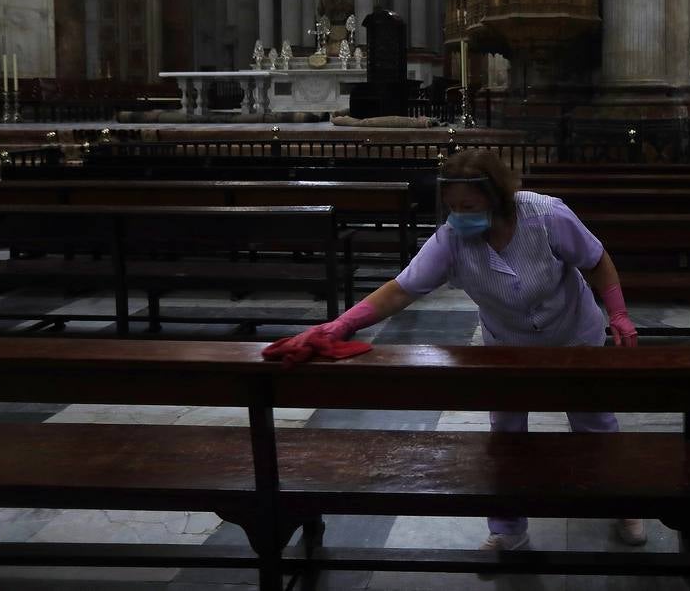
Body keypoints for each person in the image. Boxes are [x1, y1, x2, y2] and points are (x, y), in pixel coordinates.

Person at [263, 149, 646, 552]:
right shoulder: (452, 238)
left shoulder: (546, 215)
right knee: (507, 434)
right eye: (452, 207)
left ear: (496, 198)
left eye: (469, 205)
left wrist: (618, 313)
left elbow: (596, 258)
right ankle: (508, 528)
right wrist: (344, 323)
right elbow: (402, 289)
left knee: (593, 422)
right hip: (507, 344)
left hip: (573, 333)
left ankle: (622, 503)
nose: (460, 214)